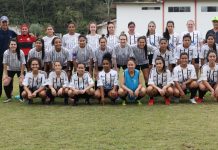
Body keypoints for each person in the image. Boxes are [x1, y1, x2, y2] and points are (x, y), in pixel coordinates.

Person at [0, 16, 17, 97]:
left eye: (5, 22)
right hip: (0, 58)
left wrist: (30, 34)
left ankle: (9, 93)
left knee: (10, 76)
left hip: (9, 58)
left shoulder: (12, 33)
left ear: (8, 22)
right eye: (3, 22)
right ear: (0, 23)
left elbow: (19, 39)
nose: (4, 24)